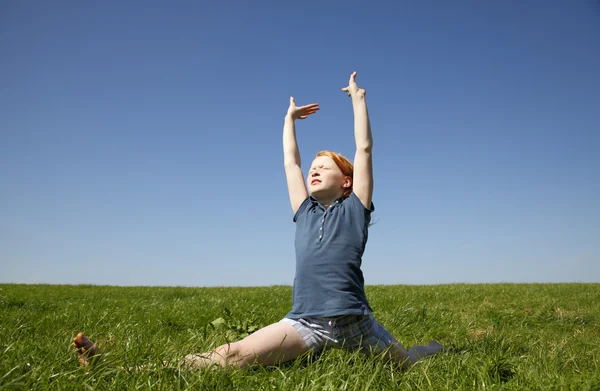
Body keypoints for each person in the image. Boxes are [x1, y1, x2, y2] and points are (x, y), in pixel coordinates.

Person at [73, 72, 443, 369]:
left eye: (323, 168)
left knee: (406, 362)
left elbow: (363, 149)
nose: (313, 172)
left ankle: (433, 348)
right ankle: (123, 370)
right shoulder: (304, 211)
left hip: (355, 325)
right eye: (313, 169)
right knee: (231, 354)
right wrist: (289, 120)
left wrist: (359, 102)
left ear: (345, 181)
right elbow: (290, 163)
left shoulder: (355, 208)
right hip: (305, 323)